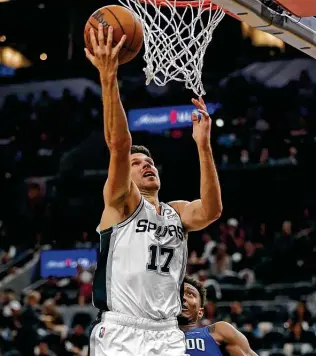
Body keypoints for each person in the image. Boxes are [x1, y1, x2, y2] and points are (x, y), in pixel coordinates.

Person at [84, 23, 222, 356]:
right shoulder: (122, 203)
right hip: (121, 330)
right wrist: (108, 76)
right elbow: (119, 144)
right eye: (137, 164)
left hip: (167, 333)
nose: (147, 165)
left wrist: (203, 145)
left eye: (150, 162)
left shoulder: (177, 212)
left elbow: (212, 210)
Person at [180, 276, 258, 356]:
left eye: (190, 294)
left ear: (200, 311)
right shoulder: (167, 338)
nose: (183, 298)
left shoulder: (220, 331)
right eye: (179, 294)